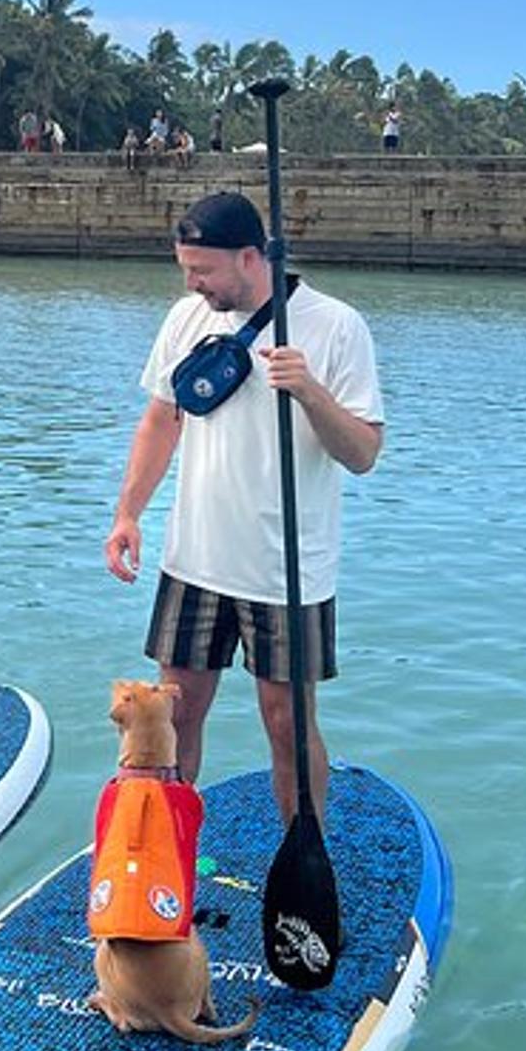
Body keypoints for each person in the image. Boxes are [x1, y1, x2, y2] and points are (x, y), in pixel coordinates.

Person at [103, 191, 385, 827]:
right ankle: (161, 855)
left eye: (203, 271)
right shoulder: (184, 319)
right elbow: (160, 419)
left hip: (288, 569)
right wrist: (128, 514)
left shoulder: (335, 326)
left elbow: (364, 452)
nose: (193, 284)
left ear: (252, 257)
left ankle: (303, 851)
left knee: (287, 724)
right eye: (185, 270)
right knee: (171, 715)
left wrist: (310, 392)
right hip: (195, 558)